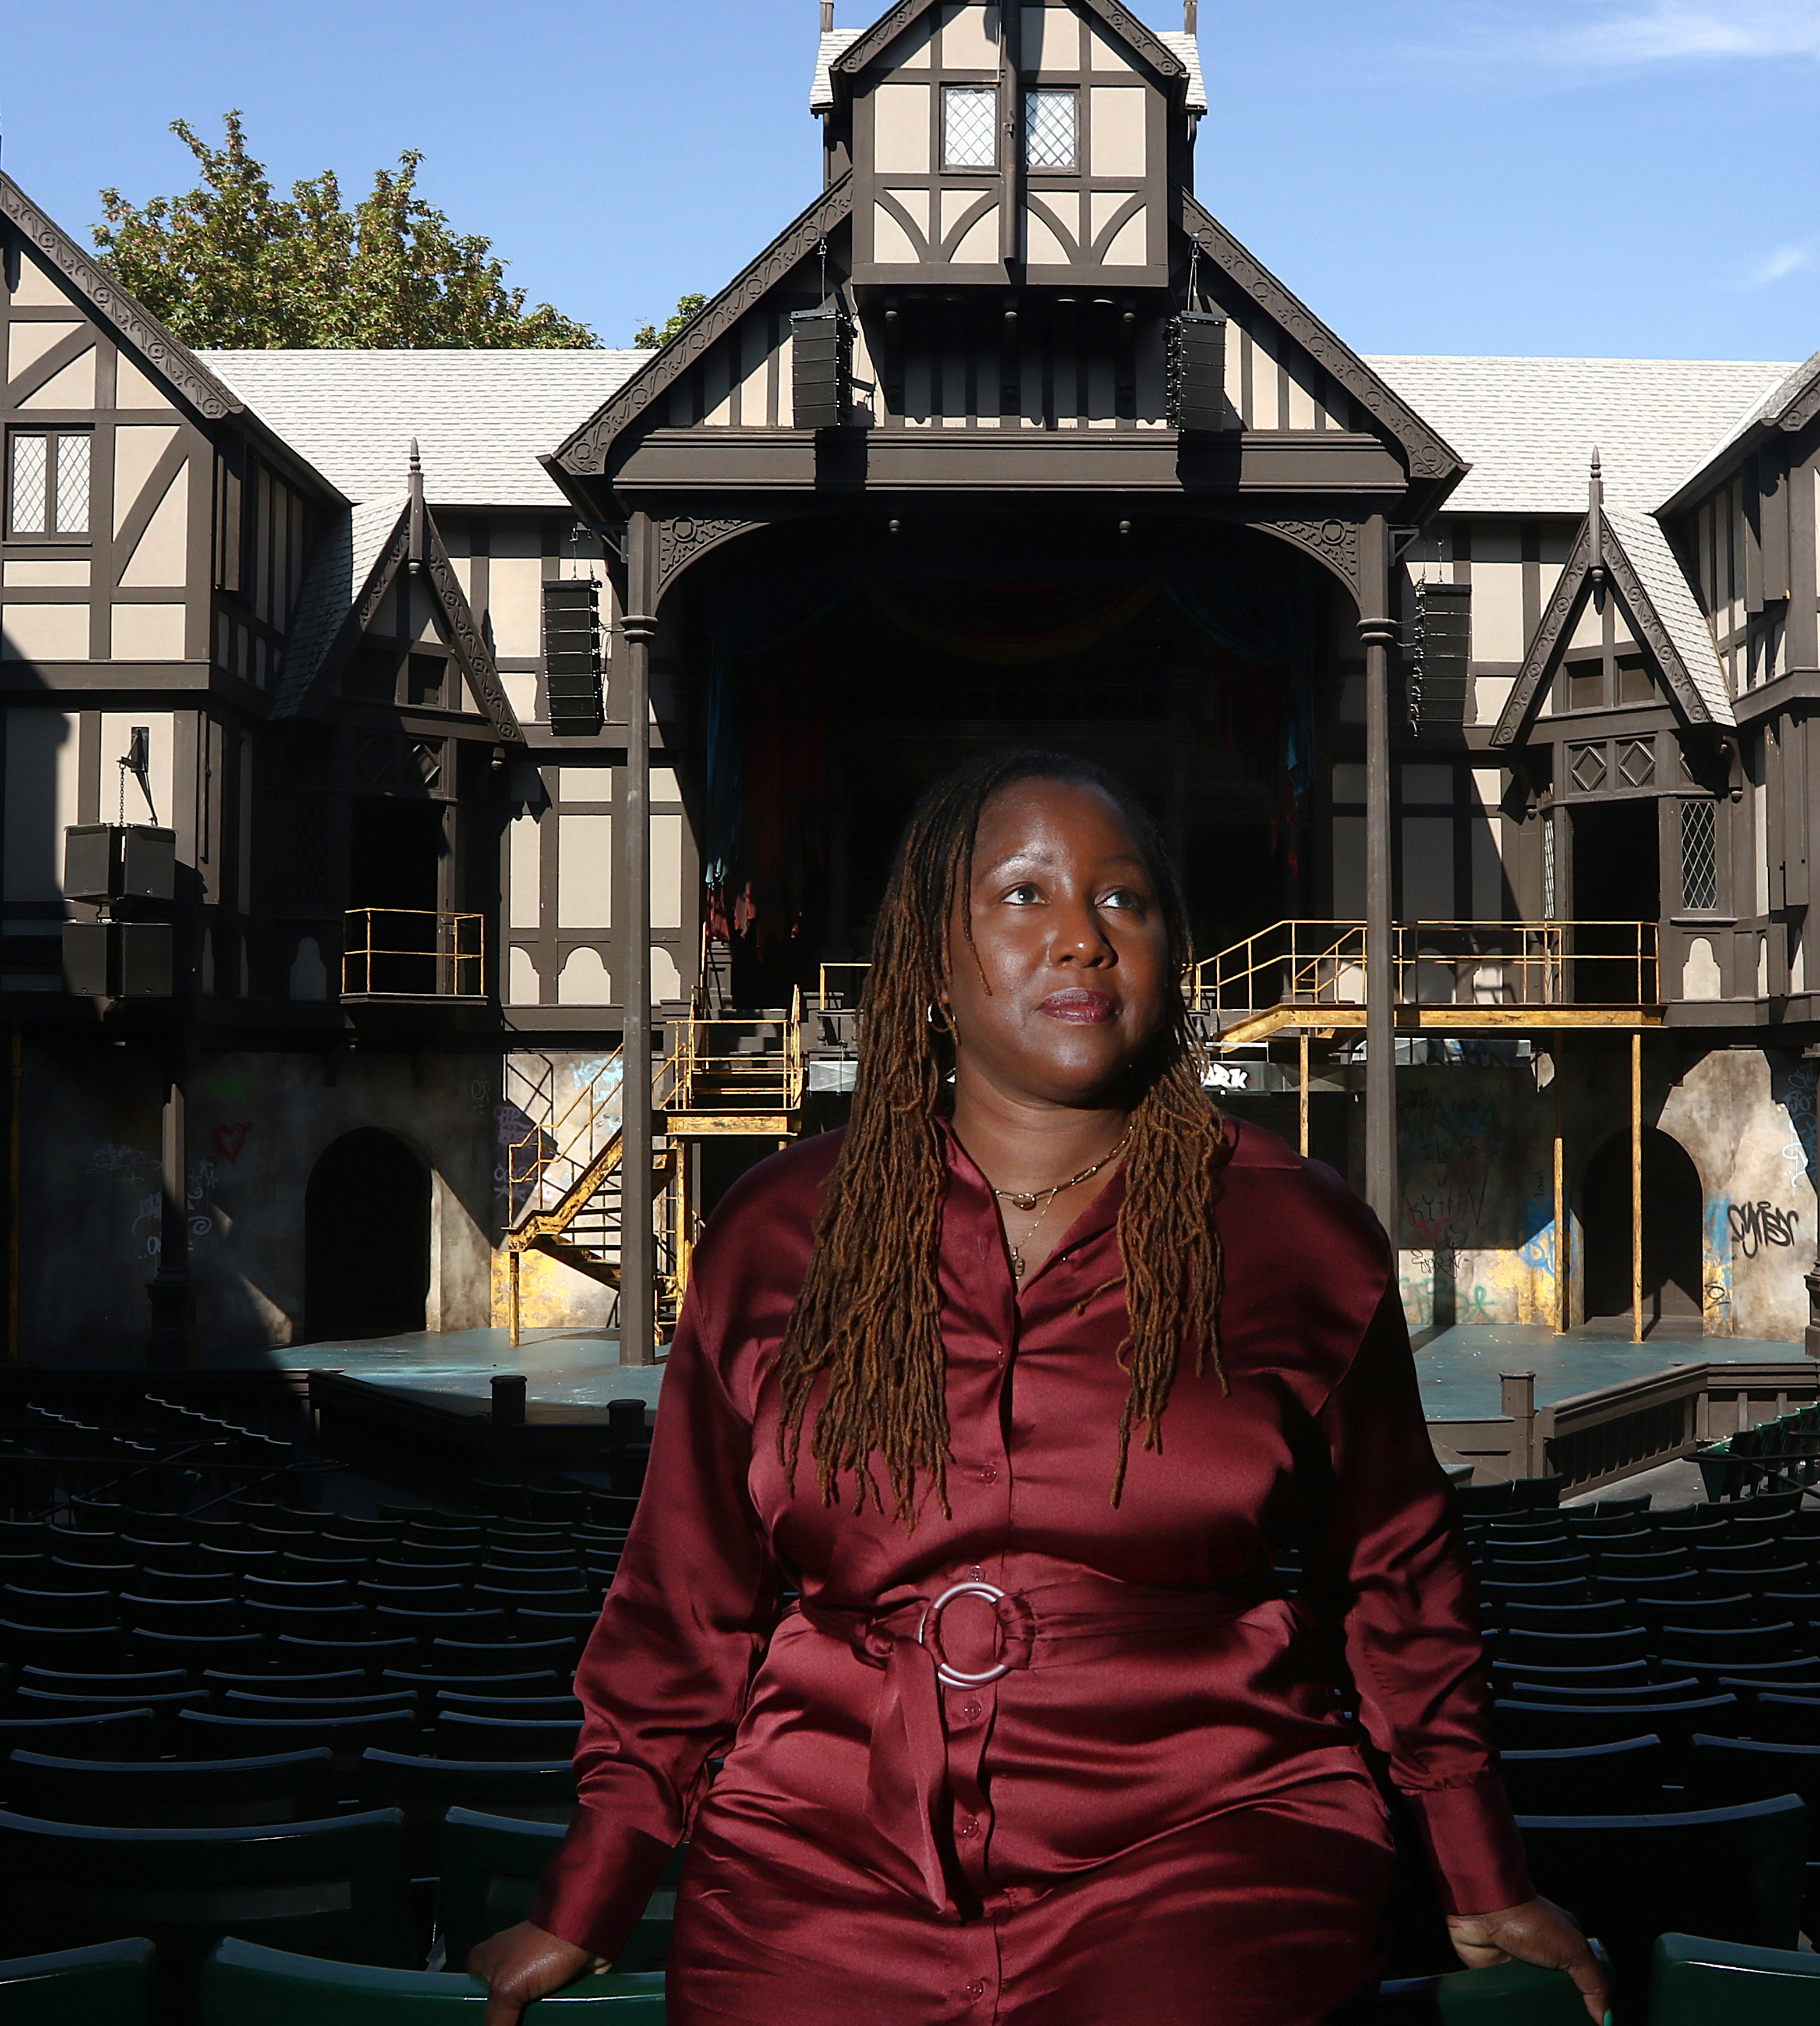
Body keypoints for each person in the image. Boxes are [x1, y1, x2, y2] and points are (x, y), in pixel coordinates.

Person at [471, 750, 1606, 2026]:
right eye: (1023, 897)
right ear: (931, 958)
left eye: (1124, 902)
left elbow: (1399, 1580)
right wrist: (592, 1889)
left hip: (1208, 1849)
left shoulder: (1298, 1235)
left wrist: (1478, 1868)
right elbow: (680, 1605)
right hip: (818, 1856)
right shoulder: (776, 1231)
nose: (1080, 939)